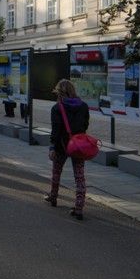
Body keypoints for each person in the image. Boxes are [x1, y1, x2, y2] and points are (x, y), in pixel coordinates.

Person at [46, 78, 90, 220]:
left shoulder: (57, 108)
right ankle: (79, 207)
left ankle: (53, 197)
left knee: (56, 172)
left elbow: (56, 129)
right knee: (79, 176)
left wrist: (52, 146)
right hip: (78, 145)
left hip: (61, 145)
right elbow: (85, 125)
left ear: (59, 92)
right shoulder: (83, 106)